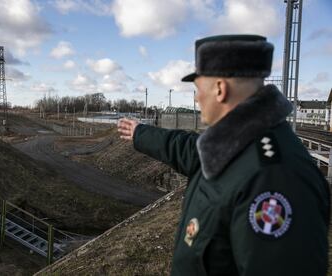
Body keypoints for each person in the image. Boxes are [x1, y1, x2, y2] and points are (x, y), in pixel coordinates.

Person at [117, 34, 330, 276]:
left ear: (220, 89)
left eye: (198, 89)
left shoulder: (273, 178)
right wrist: (139, 133)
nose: (196, 98)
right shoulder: (235, 145)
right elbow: (185, 149)